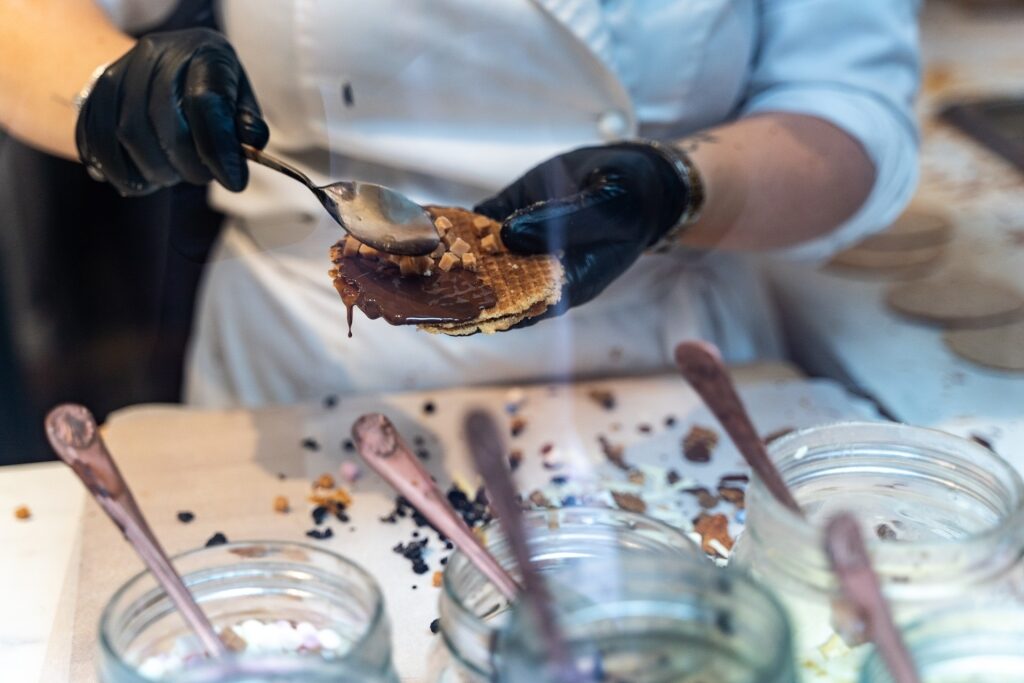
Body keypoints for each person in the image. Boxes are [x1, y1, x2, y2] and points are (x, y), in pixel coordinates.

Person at [0, 0, 920, 406]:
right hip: (317, 371)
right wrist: (108, 86)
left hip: (665, 362)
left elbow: (849, 106)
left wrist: (676, 187)